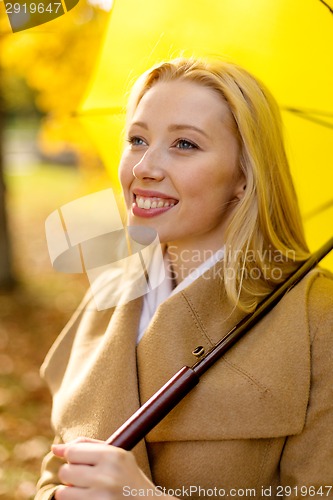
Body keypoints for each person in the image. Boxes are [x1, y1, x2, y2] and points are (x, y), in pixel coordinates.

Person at [35, 57, 333, 500]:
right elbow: (53, 474)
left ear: (244, 175)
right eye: (137, 139)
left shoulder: (316, 316)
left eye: (185, 145)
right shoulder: (108, 292)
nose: (144, 168)